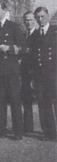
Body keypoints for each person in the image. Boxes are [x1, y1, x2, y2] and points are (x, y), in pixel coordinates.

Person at [0, 1, 26, 140]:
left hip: (11, 70)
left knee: (15, 101)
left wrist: (8, 48)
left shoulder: (14, 27)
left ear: (4, 10)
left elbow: (22, 47)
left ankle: (17, 131)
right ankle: (0, 130)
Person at [30, 7, 57, 141]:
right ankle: (48, 132)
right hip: (39, 75)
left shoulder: (55, 31)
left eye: (42, 16)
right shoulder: (34, 35)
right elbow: (33, 58)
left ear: (47, 15)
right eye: (38, 17)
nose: (40, 19)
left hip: (54, 74)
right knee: (43, 103)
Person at [21, 11, 36, 133]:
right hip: (25, 71)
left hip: (36, 71)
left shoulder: (38, 34)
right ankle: (28, 126)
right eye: (26, 20)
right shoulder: (23, 35)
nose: (29, 22)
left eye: (31, 20)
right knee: (26, 99)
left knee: (44, 100)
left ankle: (49, 128)